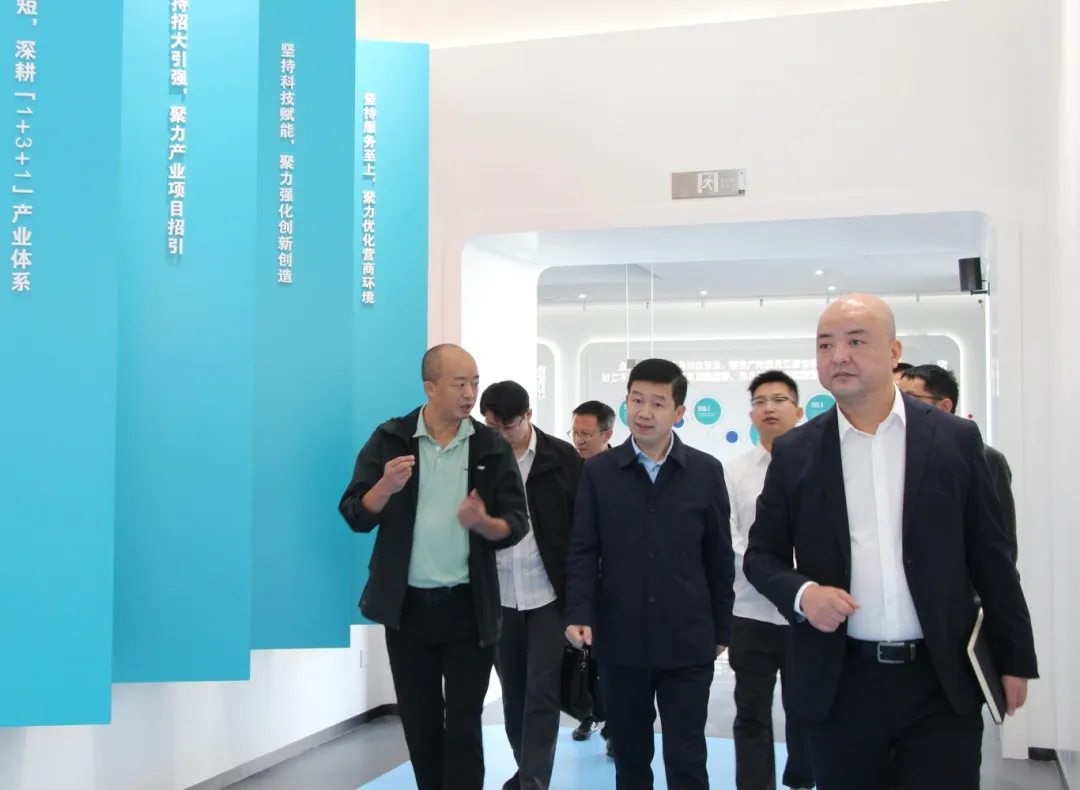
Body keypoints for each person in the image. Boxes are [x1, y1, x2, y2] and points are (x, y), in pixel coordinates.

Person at [743, 294, 1038, 790]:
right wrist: (803, 594)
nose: (838, 356)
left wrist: (1014, 658)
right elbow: (762, 556)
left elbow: (992, 558)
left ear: (894, 351)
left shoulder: (954, 440)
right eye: (825, 345)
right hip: (842, 683)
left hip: (940, 680)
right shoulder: (796, 451)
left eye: (856, 342)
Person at [338, 344, 530, 790]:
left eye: (475, 383)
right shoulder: (391, 438)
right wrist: (385, 487)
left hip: (469, 609)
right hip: (407, 610)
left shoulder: (489, 444)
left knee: (464, 725)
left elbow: (516, 522)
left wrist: (484, 523)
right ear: (430, 387)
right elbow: (355, 513)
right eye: (459, 384)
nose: (470, 394)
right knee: (420, 724)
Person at [565, 358, 735, 790]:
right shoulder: (600, 472)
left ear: (679, 412)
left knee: (687, 758)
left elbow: (719, 556)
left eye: (658, 403)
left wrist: (722, 628)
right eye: (636, 400)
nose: (644, 412)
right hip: (621, 640)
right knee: (630, 759)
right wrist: (579, 611)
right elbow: (583, 549)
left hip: (688, 640)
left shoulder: (705, 471)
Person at [479, 381, 583, 790]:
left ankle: (533, 781)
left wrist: (581, 600)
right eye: (493, 426)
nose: (502, 434)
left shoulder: (562, 458)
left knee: (542, 692)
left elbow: (583, 532)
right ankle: (526, 770)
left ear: (528, 416)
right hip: (499, 597)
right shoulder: (480, 458)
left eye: (509, 425)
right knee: (513, 695)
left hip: (548, 596)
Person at [725, 371, 814, 790]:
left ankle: (802, 780)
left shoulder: (818, 466)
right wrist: (773, 579)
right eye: (760, 402)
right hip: (750, 611)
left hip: (807, 612)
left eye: (779, 400)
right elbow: (730, 537)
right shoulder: (734, 472)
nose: (769, 408)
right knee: (751, 712)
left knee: (806, 709)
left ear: (799, 411)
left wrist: (796, 588)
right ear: (751, 415)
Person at [897, 363, 1017, 563]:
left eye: (911, 398)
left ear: (945, 406)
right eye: (898, 398)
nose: (902, 407)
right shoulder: (896, 454)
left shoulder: (988, 459)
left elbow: (1000, 541)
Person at [567, 399, 616, 749]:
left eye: (586, 434)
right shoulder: (567, 469)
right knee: (581, 655)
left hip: (614, 580)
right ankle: (589, 713)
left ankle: (615, 726)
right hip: (578, 577)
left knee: (612, 658)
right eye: (575, 433)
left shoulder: (621, 470)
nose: (579, 440)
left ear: (607, 434)